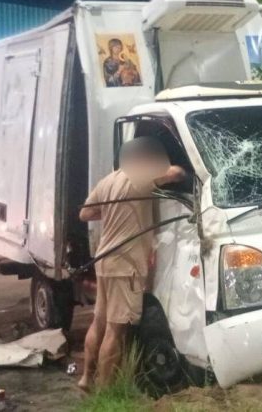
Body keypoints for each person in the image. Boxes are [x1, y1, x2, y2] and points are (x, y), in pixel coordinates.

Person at [77, 138, 185, 391]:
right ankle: (106, 391)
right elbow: (177, 174)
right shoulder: (142, 176)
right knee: (117, 330)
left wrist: (117, 211)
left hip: (104, 260)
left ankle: (85, 379)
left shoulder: (109, 180)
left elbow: (85, 213)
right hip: (125, 264)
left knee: (99, 323)